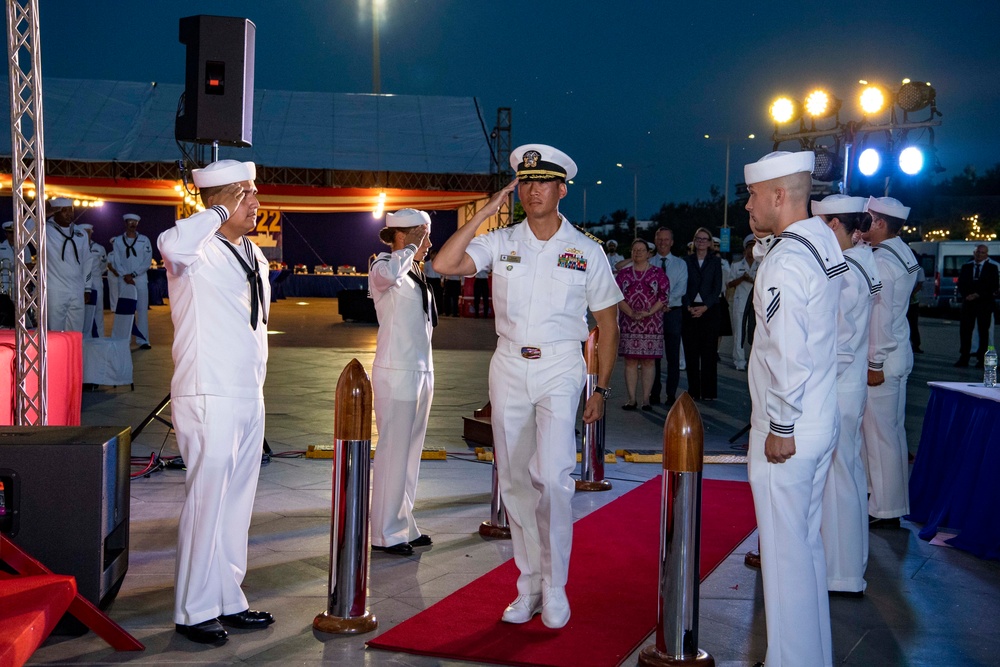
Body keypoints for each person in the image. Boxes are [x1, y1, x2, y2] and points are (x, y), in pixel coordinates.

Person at [433, 143, 621, 630]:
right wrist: (485, 214)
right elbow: (444, 264)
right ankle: (529, 584)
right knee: (515, 483)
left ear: (562, 189)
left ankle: (557, 586)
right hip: (509, 365)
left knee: (554, 479)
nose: (534, 191)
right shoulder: (502, 241)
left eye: (544, 182)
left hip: (561, 366)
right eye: (526, 182)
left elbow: (607, 322)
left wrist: (600, 389)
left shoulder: (586, 250)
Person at [158, 159, 272, 645]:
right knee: (207, 501)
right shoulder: (194, 248)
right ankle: (194, 607)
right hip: (209, 389)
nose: (257, 204)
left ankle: (227, 596)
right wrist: (217, 211)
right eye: (247, 194)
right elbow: (173, 242)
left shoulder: (252, 253)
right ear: (224, 199)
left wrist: (230, 209)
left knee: (235, 505)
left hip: (248, 392)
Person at [744, 150, 845, 667]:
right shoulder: (823, 241)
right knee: (803, 551)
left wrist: (779, 423)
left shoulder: (785, 259)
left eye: (753, 194)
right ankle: (810, 657)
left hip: (790, 425)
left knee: (784, 562)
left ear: (779, 196)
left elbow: (788, 349)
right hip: (820, 416)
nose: (747, 205)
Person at [813, 194, 881, 598]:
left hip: (838, 385)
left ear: (835, 224)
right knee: (850, 476)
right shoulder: (862, 260)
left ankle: (841, 572)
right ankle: (850, 565)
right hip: (850, 384)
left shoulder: (846, 269)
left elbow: (839, 339)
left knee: (839, 480)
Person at [368, 208, 436, 557]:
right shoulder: (382, 265)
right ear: (404, 235)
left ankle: (403, 522)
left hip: (421, 370)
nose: (429, 242)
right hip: (397, 371)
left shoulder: (416, 272)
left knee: (410, 454)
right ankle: (385, 532)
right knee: (393, 453)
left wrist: (413, 250)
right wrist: (409, 248)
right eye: (423, 234)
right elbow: (390, 274)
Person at [861, 196, 920, 530]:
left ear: (880, 223)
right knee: (892, 434)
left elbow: (880, 315)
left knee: (880, 436)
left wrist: (875, 362)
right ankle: (890, 503)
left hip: (884, 355)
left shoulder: (883, 260)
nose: (864, 222)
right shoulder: (902, 250)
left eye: (868, 218)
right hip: (899, 351)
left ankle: (884, 509)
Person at [615, 238, 668, 410]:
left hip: (651, 324)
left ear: (648, 253)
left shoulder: (658, 273)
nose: (638, 253)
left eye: (641, 250)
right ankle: (631, 399)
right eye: (634, 250)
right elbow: (616, 295)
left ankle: (646, 399)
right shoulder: (623, 274)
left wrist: (649, 312)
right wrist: (630, 312)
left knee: (648, 362)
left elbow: (664, 295)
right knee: (630, 361)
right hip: (629, 323)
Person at [681, 227, 723, 400]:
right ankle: (694, 390)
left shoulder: (715, 262)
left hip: (709, 310)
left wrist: (705, 307)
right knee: (691, 352)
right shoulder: (686, 261)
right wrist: (688, 305)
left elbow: (717, 287)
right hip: (690, 308)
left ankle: (708, 391)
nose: (701, 242)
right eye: (698, 239)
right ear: (694, 241)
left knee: (708, 352)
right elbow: (681, 285)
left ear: (710, 242)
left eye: (705, 239)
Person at [648, 227, 687, 407]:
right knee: (654, 357)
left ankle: (671, 394)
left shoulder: (680, 264)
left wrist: (664, 303)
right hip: (653, 316)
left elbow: (681, 288)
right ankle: (654, 394)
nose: (663, 242)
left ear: (672, 242)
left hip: (673, 313)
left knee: (672, 358)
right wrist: (656, 306)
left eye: (666, 239)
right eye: (660, 239)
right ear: (656, 241)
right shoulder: (649, 262)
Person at [45, 197, 93, 333]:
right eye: (63, 211)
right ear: (55, 213)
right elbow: (24, 230)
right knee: (55, 332)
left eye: (70, 210)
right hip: (55, 290)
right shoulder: (45, 231)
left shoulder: (80, 233)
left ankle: (74, 355)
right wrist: (44, 213)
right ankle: (55, 355)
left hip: (77, 289)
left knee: (76, 333)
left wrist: (87, 288)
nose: (68, 214)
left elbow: (87, 261)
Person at [108, 213, 153, 348]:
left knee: (142, 311)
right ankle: (124, 339)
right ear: (125, 223)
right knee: (126, 311)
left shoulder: (144, 240)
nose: (132, 224)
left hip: (140, 279)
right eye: (130, 222)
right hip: (124, 280)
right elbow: (116, 261)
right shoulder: (118, 241)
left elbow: (147, 261)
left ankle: (143, 340)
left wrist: (133, 274)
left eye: (135, 222)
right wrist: (125, 275)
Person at [955, 244, 999, 368]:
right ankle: (964, 357)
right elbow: (961, 283)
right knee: (965, 331)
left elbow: (993, 286)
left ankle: (981, 358)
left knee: (983, 332)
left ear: (986, 255)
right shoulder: (966, 267)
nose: (979, 255)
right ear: (974, 253)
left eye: (982, 253)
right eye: (978, 252)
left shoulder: (992, 268)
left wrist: (977, 294)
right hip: (968, 304)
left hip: (984, 304)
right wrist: (966, 295)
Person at [726, 234, 757, 370]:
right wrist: (742, 278)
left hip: (756, 303)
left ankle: (755, 361)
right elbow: (730, 283)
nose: (750, 251)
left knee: (756, 332)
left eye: (753, 248)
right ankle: (739, 360)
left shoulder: (762, 264)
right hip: (741, 301)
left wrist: (752, 280)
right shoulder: (736, 265)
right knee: (739, 331)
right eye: (748, 248)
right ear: (744, 250)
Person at [78, 224, 108, 337]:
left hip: (96, 279)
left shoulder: (99, 248)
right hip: (81, 280)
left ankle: (100, 337)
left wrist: (95, 273)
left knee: (98, 310)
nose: (86, 234)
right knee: (82, 311)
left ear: (91, 232)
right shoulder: (77, 247)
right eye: (84, 231)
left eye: (88, 232)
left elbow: (104, 265)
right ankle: (84, 337)